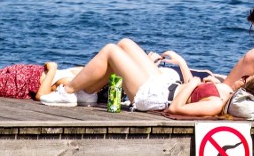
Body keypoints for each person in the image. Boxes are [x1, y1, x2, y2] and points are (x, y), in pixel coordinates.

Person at [40, 38, 194, 111]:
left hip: (156, 95)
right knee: (124, 43)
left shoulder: (215, 102)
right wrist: (182, 63)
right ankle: (87, 92)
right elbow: (191, 85)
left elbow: (177, 108)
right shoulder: (215, 86)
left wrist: (196, 82)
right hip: (165, 84)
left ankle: (67, 91)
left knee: (110, 50)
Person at [166, 74, 254, 117]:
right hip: (169, 84)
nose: (241, 77)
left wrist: (193, 82)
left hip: (162, 94)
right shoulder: (227, 91)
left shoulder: (216, 104)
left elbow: (174, 108)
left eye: (245, 78)